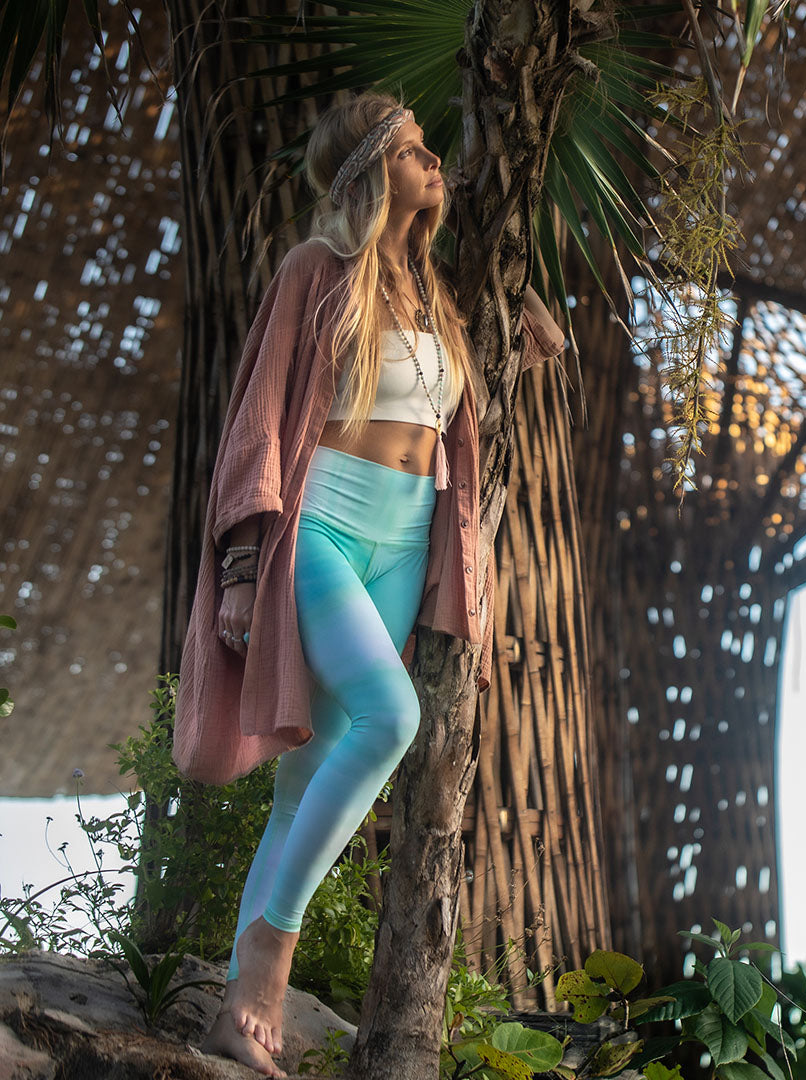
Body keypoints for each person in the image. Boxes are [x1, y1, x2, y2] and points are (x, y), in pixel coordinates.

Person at [172, 91, 564, 1076]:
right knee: (390, 718)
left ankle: (233, 1013)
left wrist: (509, 295)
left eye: (433, 151)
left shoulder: (442, 296)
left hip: (408, 540)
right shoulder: (316, 271)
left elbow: (490, 388)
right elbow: (258, 418)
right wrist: (241, 567)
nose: (435, 163)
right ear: (369, 172)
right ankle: (273, 951)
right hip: (324, 530)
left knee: (304, 781)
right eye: (414, 150)